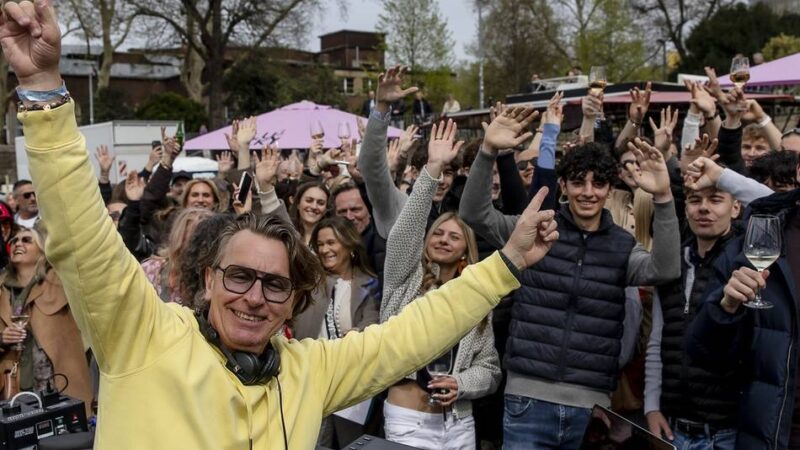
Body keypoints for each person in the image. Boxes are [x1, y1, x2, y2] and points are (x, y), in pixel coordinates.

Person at [6, 5, 564, 447]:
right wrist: (44, 91)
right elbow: (82, 239)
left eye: (274, 285)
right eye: (240, 277)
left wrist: (506, 263)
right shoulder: (144, 336)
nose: (255, 297)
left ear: (294, 298)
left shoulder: (309, 371)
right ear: (206, 280)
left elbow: (414, 332)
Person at [461, 103, 681, 449]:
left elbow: (665, 269)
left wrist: (664, 197)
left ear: (610, 189)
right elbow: (474, 213)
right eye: (578, 183)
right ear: (562, 184)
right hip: (527, 398)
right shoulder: (535, 227)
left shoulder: (622, 246)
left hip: (591, 408)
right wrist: (488, 151)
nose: (588, 192)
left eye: (598, 184)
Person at [380, 120, 501, 450]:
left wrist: (460, 383)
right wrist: (432, 168)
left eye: (454, 236)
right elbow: (405, 232)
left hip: (459, 423)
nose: (444, 240)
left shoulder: (474, 299)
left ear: (467, 249)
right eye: (437, 233)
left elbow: (489, 369)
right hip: (408, 419)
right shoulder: (405, 280)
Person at [643, 183, 742, 450]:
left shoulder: (743, 266)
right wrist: (651, 406)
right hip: (672, 427)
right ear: (685, 208)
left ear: (735, 208)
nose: (704, 208)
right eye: (695, 199)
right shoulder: (671, 263)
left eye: (716, 200)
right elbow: (658, 339)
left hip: (726, 431)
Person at [294, 216, 381, 448]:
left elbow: (374, 320)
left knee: (351, 443)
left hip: (350, 383)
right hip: (311, 380)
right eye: (320, 244)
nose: (324, 249)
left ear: (349, 244)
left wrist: (359, 332)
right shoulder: (311, 282)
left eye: (331, 242)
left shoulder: (369, 283)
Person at [0, 228, 93, 416]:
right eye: (14, 241)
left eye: (27, 240)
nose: (18, 243)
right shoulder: (1, 290)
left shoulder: (60, 281)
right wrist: (2, 338)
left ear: (43, 250)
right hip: (15, 388)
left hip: (60, 385)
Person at [141, 208, 213, 303]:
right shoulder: (151, 269)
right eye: (192, 238)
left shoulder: (210, 280)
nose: (196, 247)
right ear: (179, 238)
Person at [331, 182, 387, 281]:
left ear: (369, 211)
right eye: (342, 211)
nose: (349, 216)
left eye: (355, 210)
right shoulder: (328, 243)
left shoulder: (383, 241)